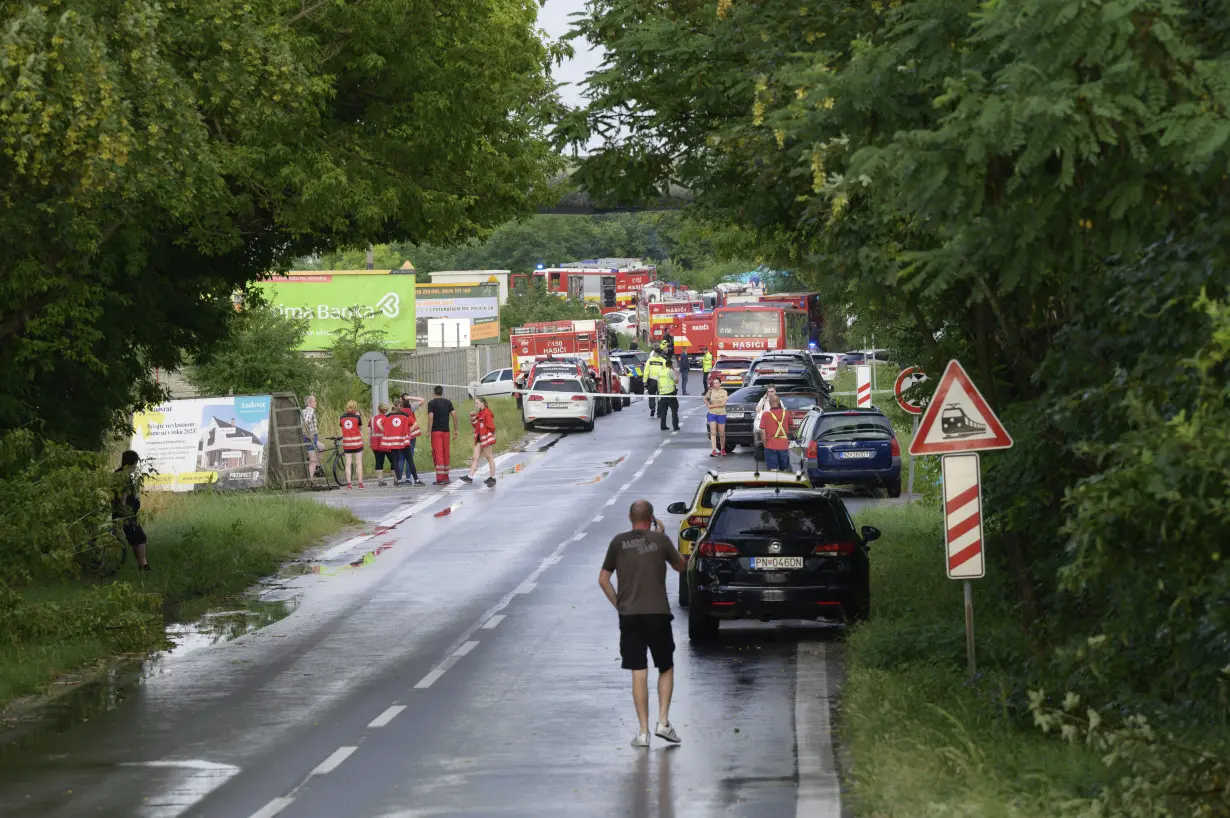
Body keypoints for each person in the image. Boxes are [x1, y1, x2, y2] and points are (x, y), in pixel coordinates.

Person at [599, 500, 687, 748]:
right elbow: (682, 566)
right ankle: (663, 722)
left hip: (630, 617)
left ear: (630, 517)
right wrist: (662, 538)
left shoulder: (618, 542)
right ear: (651, 519)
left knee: (638, 671)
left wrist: (619, 605)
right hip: (657, 614)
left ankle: (642, 732)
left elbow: (603, 580)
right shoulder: (660, 541)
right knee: (665, 666)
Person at [112, 450, 150, 571]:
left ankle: (142, 565)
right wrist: (126, 514)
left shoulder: (116, 473)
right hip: (126, 514)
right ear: (131, 463)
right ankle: (143, 566)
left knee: (134, 540)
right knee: (141, 538)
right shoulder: (124, 477)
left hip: (118, 513)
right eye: (135, 464)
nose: (135, 467)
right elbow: (123, 498)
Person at [460, 397, 498, 486]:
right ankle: (470, 477)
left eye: (477, 403)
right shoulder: (480, 413)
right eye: (475, 403)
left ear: (482, 403)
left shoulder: (486, 413)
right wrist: (473, 417)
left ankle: (492, 477)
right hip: (479, 438)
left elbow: (491, 426)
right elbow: (475, 425)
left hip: (485, 439)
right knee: (475, 457)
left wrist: (489, 435)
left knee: (489, 457)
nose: (476, 405)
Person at [426, 386, 457, 484]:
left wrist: (428, 430)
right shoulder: (448, 402)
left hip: (436, 431)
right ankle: (446, 477)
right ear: (442, 393)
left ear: (434, 393)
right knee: (446, 453)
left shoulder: (431, 403)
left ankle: (440, 478)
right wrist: (456, 429)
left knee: (438, 454)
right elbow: (454, 415)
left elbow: (431, 417)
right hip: (446, 431)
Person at [398, 393, 427, 487]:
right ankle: (408, 479)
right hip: (411, 435)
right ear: (408, 400)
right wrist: (411, 398)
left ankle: (399, 479)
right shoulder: (411, 407)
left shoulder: (398, 410)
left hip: (401, 436)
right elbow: (422, 400)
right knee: (409, 457)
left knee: (401, 457)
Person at [759, 394, 791, 470]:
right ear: (779, 402)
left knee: (772, 471)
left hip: (770, 445)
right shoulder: (786, 413)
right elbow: (791, 426)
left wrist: (765, 444)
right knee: (784, 471)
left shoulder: (765, 415)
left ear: (769, 403)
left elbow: (762, 432)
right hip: (783, 445)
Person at [339, 400, 365, 488]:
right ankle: (360, 484)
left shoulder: (342, 418)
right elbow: (360, 429)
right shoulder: (357, 417)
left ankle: (349, 484)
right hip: (357, 443)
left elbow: (342, 426)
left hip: (347, 444)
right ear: (355, 407)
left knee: (348, 463)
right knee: (358, 463)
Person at [703, 375, 728, 457]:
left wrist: (712, 406)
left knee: (722, 434)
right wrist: (707, 404)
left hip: (721, 414)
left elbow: (723, 404)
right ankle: (714, 450)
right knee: (713, 433)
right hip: (712, 414)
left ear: (720, 384)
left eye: (717, 383)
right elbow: (705, 399)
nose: (715, 384)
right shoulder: (710, 391)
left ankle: (722, 449)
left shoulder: (724, 392)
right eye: (714, 383)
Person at [301, 395, 324, 482]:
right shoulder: (311, 411)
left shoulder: (303, 411)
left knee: (322, 447)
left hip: (310, 436)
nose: (316, 403)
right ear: (310, 403)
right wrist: (308, 435)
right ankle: (310, 480)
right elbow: (305, 423)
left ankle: (318, 467)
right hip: (310, 437)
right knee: (313, 460)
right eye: (314, 402)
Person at [657, 354, 680, 432]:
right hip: (670, 394)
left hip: (662, 394)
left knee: (663, 412)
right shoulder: (670, 371)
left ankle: (663, 426)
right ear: (671, 365)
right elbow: (676, 381)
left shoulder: (660, 372)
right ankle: (675, 426)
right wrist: (676, 374)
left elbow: (658, 383)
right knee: (674, 410)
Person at [370, 403, 390, 486]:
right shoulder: (388, 418)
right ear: (386, 410)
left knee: (378, 461)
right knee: (392, 460)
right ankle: (396, 479)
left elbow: (369, 432)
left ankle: (380, 481)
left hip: (376, 442)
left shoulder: (372, 419)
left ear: (378, 410)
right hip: (386, 442)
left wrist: (369, 442)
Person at [643, 348, 664, 418]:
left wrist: (644, 381)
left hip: (652, 380)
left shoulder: (650, 360)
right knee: (660, 397)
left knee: (652, 395)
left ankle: (652, 408)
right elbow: (666, 371)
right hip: (661, 381)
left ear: (655, 352)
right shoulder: (663, 361)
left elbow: (646, 371)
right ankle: (659, 412)